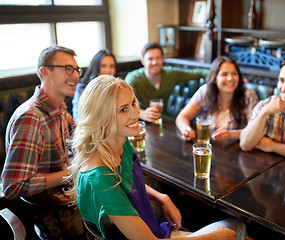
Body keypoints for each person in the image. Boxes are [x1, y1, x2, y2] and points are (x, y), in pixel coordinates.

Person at [68, 75, 248, 239]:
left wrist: (162, 197)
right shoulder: (100, 178)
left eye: (133, 103)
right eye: (123, 109)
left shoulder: (119, 142)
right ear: (100, 118)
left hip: (154, 230)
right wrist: (214, 237)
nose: (134, 114)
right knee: (236, 228)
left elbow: (127, 184)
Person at [1, 45, 84, 238]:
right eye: (67, 69)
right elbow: (13, 186)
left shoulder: (59, 108)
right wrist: (70, 174)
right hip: (58, 215)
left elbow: (81, 137)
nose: (75, 76)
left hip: (69, 198)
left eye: (77, 70)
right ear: (45, 72)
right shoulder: (31, 118)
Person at [176, 56, 258, 141]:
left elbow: (254, 130)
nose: (230, 79)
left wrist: (231, 135)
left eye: (234, 73)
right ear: (214, 78)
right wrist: (186, 130)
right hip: (208, 146)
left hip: (237, 148)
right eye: (224, 74)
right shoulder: (205, 91)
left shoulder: (248, 96)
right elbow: (182, 117)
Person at [125, 42, 209, 123]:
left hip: (163, 120)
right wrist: (142, 114)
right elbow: (124, 105)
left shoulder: (170, 73)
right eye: (150, 59)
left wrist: (219, 75)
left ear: (163, 59)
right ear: (143, 61)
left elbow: (197, 73)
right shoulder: (133, 78)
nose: (155, 62)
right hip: (139, 121)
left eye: (158, 58)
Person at [72, 49, 117, 121]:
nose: (108, 70)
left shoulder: (117, 87)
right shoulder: (83, 87)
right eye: (103, 66)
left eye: (112, 66)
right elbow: (78, 117)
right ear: (96, 67)